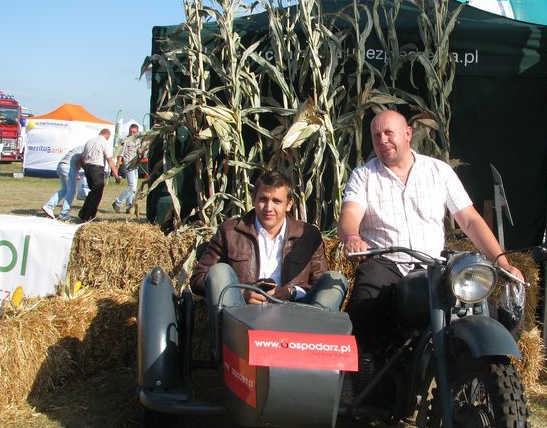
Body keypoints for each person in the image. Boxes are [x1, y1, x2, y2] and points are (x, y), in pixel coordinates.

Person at [338, 110, 524, 350]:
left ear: (408, 134)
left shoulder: (439, 171)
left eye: (388, 133)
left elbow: (470, 220)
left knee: (481, 308)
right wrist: (352, 237)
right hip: (385, 263)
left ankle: (483, 362)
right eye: (376, 135)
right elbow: (350, 214)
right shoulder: (363, 175)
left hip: (433, 265)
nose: (382, 140)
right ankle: (363, 368)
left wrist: (502, 262)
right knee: (364, 308)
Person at [190, 170, 348, 329]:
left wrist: (290, 292)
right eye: (263, 199)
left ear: (289, 204)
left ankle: (314, 340)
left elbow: (319, 284)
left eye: (276, 201)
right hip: (243, 313)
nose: (268, 207)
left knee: (335, 279)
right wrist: (242, 293)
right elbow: (198, 278)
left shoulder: (308, 235)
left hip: (296, 312)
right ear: (253, 199)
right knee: (218, 271)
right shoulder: (229, 232)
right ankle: (230, 340)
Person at [78, 128, 121, 223]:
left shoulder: (90, 141)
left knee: (92, 192)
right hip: (97, 168)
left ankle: (83, 213)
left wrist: (85, 168)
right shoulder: (104, 142)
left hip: (88, 167)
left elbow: (81, 158)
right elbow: (109, 160)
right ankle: (89, 216)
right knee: (97, 193)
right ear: (108, 136)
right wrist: (116, 176)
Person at [41, 144, 85, 221]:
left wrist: (77, 172)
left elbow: (77, 160)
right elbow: (82, 160)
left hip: (61, 166)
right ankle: (64, 214)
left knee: (64, 190)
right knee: (71, 191)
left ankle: (48, 206)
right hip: (69, 167)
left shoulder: (80, 148)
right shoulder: (87, 148)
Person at [112, 123, 142, 214]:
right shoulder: (125, 140)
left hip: (135, 166)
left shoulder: (139, 140)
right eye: (130, 131)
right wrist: (116, 169)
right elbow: (120, 155)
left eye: (134, 132)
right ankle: (117, 202)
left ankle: (129, 206)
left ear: (137, 132)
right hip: (128, 166)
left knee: (134, 188)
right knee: (131, 187)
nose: (132, 133)